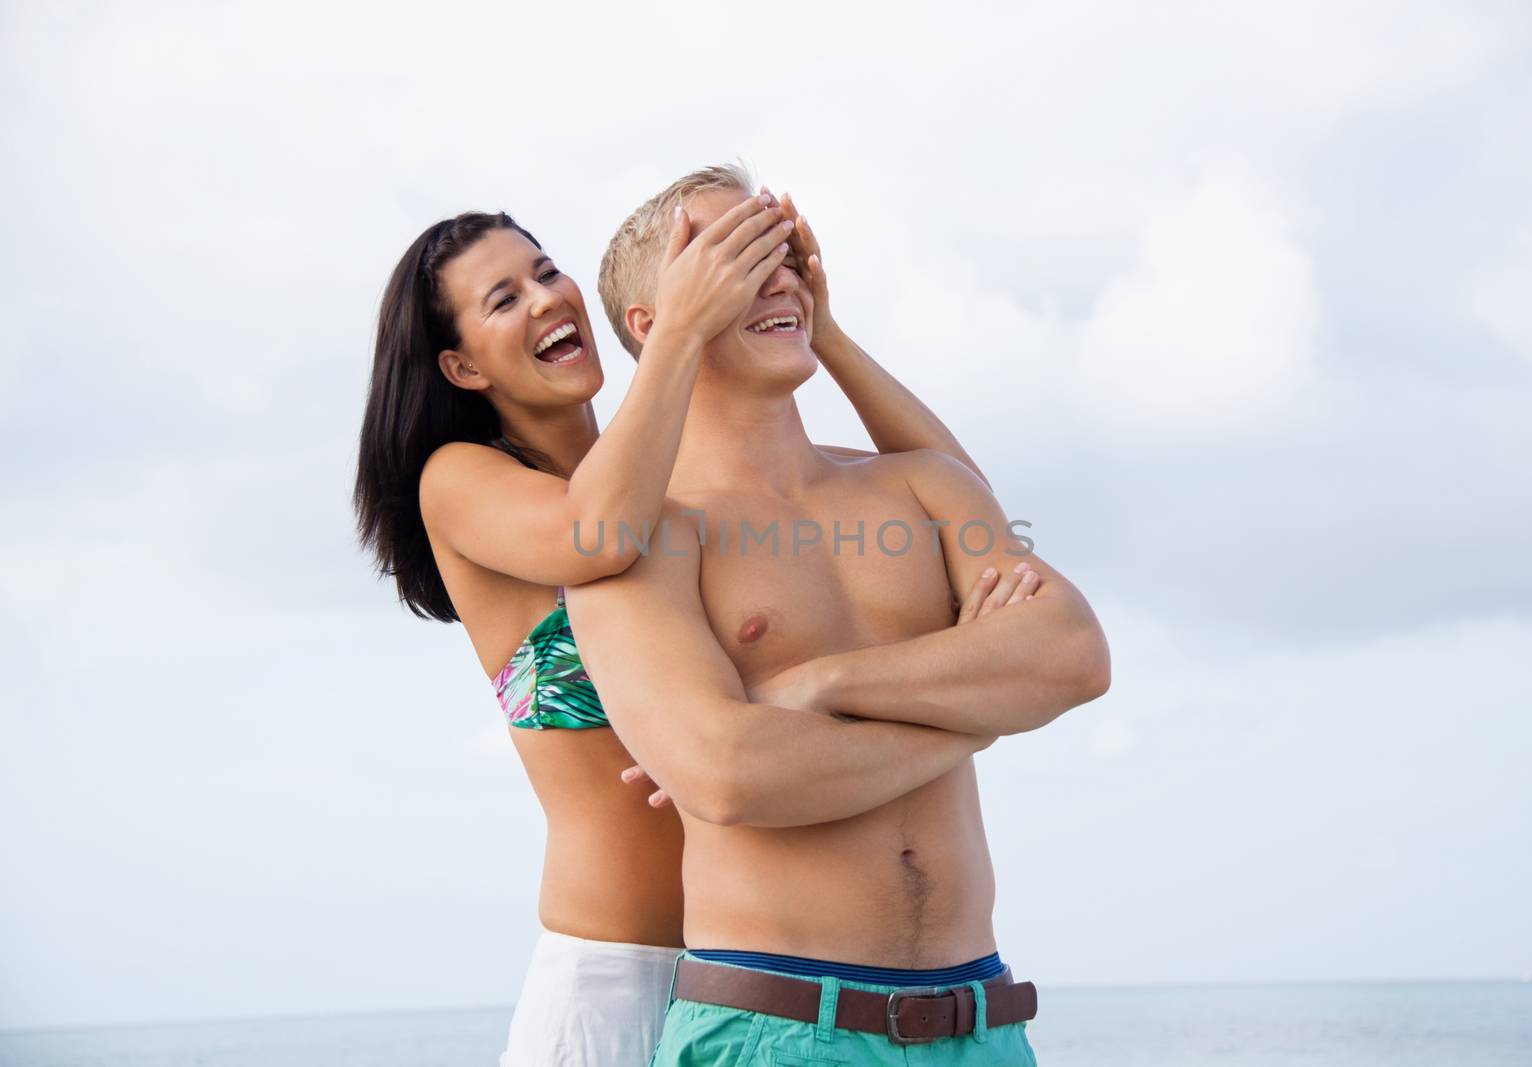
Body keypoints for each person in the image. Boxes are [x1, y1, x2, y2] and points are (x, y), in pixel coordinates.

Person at [353, 182, 1019, 1066]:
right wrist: (977, 720)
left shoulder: (670, 487)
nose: (549, 297)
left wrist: (820, 330)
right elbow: (595, 534)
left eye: (546, 271)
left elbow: (971, 521)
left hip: (761, 962)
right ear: (464, 367)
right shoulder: (463, 479)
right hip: (616, 973)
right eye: (505, 298)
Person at [568, 165, 1112, 1065]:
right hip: (777, 1024)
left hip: (985, 1022)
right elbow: (728, 774)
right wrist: (982, 713)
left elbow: (1073, 655)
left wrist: (822, 683)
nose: (778, 272)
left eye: (780, 247)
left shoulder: (920, 483)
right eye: (735, 256)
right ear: (654, 320)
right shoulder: (638, 537)